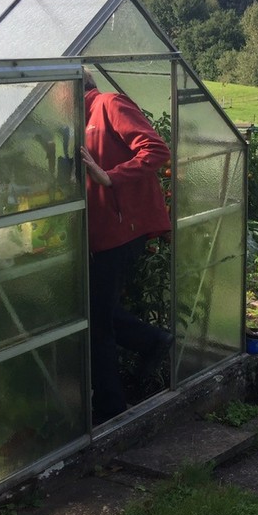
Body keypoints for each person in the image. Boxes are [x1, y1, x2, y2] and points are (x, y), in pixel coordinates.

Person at [79, 68, 173, 424]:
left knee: (97, 321)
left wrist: (111, 177)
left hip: (123, 231)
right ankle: (151, 341)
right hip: (103, 233)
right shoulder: (77, 120)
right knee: (94, 311)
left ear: (77, 87)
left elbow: (156, 149)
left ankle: (111, 410)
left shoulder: (108, 104)